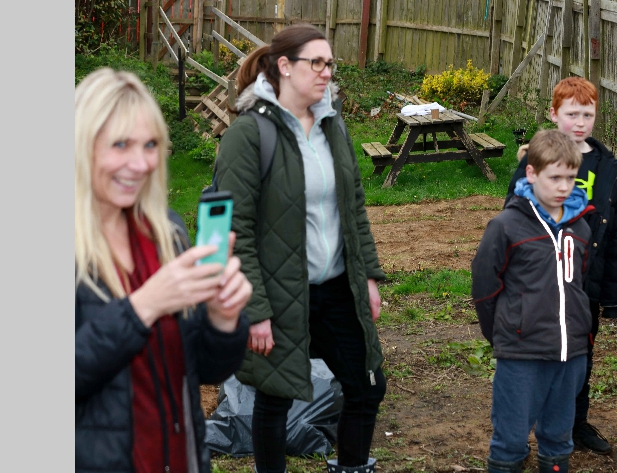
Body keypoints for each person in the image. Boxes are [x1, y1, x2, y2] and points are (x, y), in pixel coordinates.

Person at [215, 24, 388, 473]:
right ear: (285, 67)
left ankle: (351, 467)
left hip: (336, 288)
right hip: (280, 293)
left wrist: (367, 275)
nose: (326, 72)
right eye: (317, 62)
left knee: (367, 386)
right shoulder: (249, 136)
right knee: (275, 398)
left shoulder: (333, 127)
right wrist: (255, 310)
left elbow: (354, 209)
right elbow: (236, 230)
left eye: (330, 63)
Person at [75, 68, 252, 473]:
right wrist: (142, 308)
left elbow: (202, 369)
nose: (140, 164)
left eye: (151, 144)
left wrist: (224, 321)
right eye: (121, 144)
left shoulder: (166, 231)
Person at [505, 77, 617, 455]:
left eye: (587, 114)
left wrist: (611, 297)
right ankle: (520, 433)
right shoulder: (534, 161)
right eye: (571, 113)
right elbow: (513, 216)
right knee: (535, 358)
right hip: (540, 282)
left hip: (583, 283)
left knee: (580, 357)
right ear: (553, 114)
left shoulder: (607, 166)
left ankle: (575, 424)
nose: (580, 122)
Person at [473, 129, 593, 473]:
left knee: (558, 437)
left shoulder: (580, 227)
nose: (563, 186)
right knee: (511, 438)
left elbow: (581, 281)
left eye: (570, 178)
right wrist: (505, 331)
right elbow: (484, 286)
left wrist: (578, 330)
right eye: (554, 177)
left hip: (570, 354)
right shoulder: (506, 226)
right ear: (532, 173)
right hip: (521, 353)